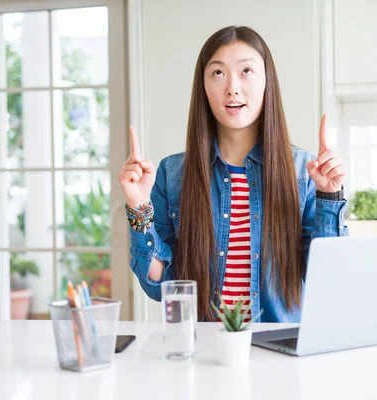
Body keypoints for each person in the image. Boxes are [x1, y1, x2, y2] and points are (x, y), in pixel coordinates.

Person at [118, 26, 349, 322]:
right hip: (203, 355)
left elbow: (327, 281)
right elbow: (162, 285)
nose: (232, 88)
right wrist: (139, 209)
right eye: (218, 73)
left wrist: (330, 195)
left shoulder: (303, 172)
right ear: (202, 85)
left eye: (246, 71)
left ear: (267, 81)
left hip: (279, 355)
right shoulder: (173, 173)